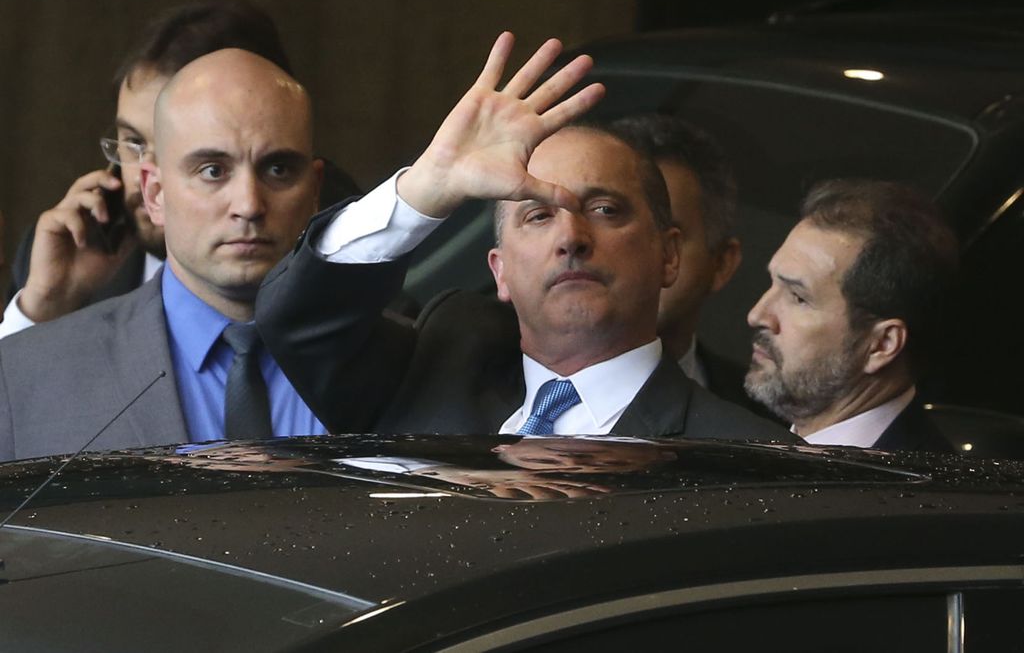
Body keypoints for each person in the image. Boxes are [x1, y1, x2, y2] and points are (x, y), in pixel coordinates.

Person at [257, 33, 791, 443]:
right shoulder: (435, 368)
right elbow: (298, 318)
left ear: (669, 255)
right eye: (538, 215)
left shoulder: (740, 454)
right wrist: (425, 188)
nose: (571, 238)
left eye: (605, 210)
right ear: (499, 271)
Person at [0, 49, 325, 461]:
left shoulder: (402, 361)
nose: (248, 204)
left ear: (314, 191)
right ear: (154, 193)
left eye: (277, 170)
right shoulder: (27, 370)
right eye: (213, 170)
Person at [0, 0, 359, 340]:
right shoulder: (65, 255)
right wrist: (42, 309)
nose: (146, 181)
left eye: (209, 165)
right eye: (133, 143)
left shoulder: (356, 261)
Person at [744, 178, 958, 452]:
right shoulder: (747, 439)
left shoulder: (930, 490)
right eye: (772, 283)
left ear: (881, 345)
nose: (757, 315)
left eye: (798, 297)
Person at [610, 113, 748, 404]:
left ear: (722, 263)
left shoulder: (767, 421)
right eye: (608, 218)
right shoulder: (495, 379)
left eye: (665, 239)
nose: (629, 258)